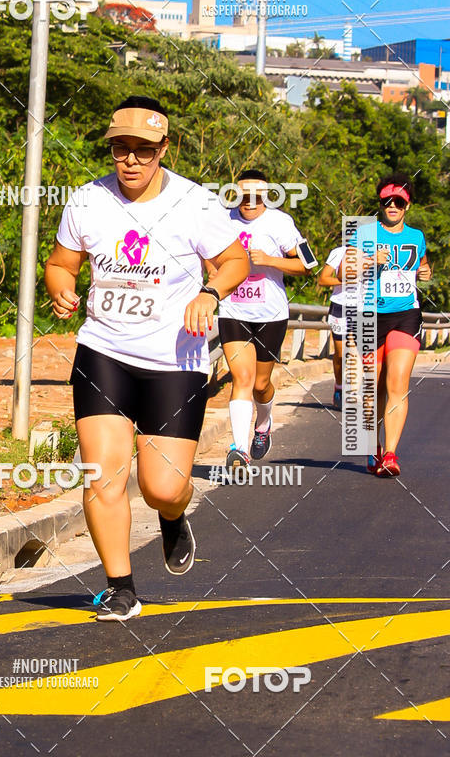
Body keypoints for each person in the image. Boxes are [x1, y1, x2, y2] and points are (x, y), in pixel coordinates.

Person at [44, 95, 248, 620]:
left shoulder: (194, 203)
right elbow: (61, 262)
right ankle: (120, 587)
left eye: (143, 150)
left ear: (163, 149)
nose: (130, 160)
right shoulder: (88, 200)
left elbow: (234, 260)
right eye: (120, 149)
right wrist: (61, 286)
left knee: (162, 487)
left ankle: (173, 517)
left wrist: (210, 294)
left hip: (173, 362)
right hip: (103, 350)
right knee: (102, 475)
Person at [207, 169, 313, 472]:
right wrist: (213, 270)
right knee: (241, 378)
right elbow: (202, 248)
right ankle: (238, 451)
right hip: (233, 311)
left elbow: (308, 264)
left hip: (271, 314)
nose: (250, 201)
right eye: (244, 195)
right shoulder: (223, 220)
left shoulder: (280, 223)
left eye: (257, 195)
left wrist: (270, 260)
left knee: (261, 384)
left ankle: (264, 422)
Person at [340, 174, 431, 477]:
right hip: (370, 317)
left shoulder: (417, 236)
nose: (392, 206)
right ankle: (373, 446)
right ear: (380, 203)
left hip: (406, 314)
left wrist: (426, 271)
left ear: (408, 205)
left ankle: (390, 454)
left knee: (397, 384)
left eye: (399, 201)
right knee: (372, 391)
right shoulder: (365, 232)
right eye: (386, 201)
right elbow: (343, 270)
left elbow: (420, 264)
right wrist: (367, 261)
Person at [318, 244, 348, 410]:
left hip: (366, 307)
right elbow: (323, 279)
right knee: (341, 353)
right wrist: (346, 280)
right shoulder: (339, 252)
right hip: (341, 305)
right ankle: (339, 385)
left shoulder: (377, 253)